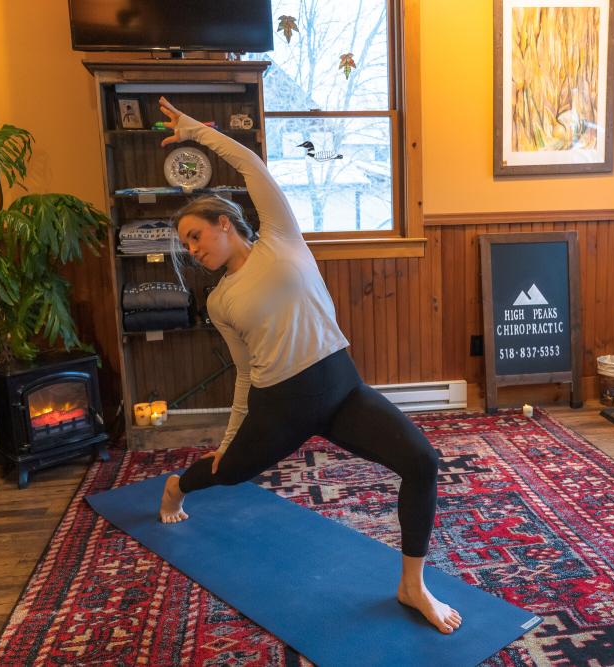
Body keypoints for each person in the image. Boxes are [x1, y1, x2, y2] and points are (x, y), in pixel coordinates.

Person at [155, 98, 462, 634]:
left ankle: (412, 585)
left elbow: (250, 165)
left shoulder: (280, 236)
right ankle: (177, 488)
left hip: (340, 385)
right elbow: (245, 373)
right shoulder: (219, 302)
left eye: (196, 236)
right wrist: (229, 440)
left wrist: (196, 132)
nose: (193, 249)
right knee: (230, 473)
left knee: (421, 461)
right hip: (281, 405)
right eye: (186, 245)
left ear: (225, 224)